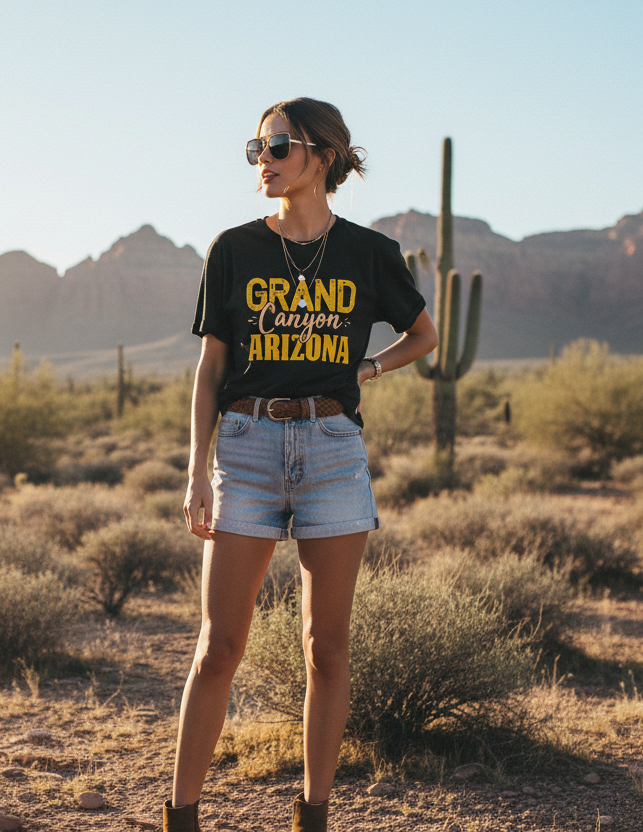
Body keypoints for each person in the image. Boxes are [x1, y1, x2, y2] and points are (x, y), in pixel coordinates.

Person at [166, 98, 440, 832]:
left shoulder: (369, 253)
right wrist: (198, 471)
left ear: (322, 154)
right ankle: (182, 817)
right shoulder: (233, 249)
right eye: (256, 147)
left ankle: (314, 817)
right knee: (219, 646)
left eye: (278, 145)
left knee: (327, 650)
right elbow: (209, 366)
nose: (264, 158)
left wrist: (370, 369)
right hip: (248, 452)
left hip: (332, 453)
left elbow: (425, 333)